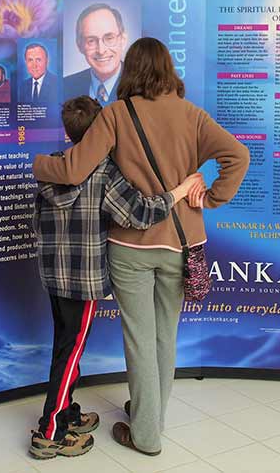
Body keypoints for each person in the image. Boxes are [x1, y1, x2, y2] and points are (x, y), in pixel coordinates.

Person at [33, 37, 249, 456]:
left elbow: (75, 169)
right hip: (181, 245)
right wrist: (212, 196)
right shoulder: (193, 115)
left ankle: (146, 432)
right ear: (169, 70)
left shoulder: (115, 114)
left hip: (130, 246)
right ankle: (149, 414)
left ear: (129, 69)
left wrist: (37, 164)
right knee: (165, 336)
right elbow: (237, 155)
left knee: (138, 338)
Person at [30, 95, 203, 460]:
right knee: (70, 352)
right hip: (86, 279)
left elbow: (38, 221)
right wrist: (179, 192)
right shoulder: (104, 172)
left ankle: (68, 411)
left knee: (65, 346)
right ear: (102, 132)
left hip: (53, 275)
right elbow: (140, 213)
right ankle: (50, 431)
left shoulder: (51, 167)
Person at [63, 3, 127, 107]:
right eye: (91, 40)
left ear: (123, 40)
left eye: (109, 38)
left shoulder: (142, 85)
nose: (101, 50)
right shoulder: (65, 86)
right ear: (79, 45)